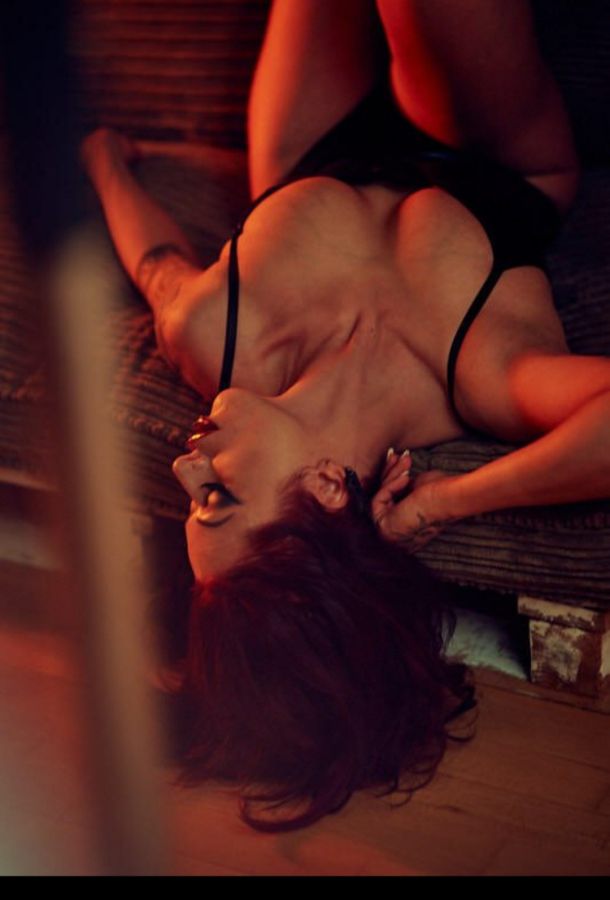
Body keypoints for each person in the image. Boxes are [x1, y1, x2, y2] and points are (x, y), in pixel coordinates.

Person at [81, 1, 609, 831]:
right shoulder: (478, 376)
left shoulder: (213, 334)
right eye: (215, 496)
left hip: (309, 154)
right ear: (328, 488)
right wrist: (443, 503)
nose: (186, 461)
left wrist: (103, 161)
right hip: (493, 160)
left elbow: (157, 268)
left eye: (188, 492)